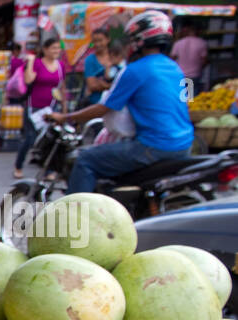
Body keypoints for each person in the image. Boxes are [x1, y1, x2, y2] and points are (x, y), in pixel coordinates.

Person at [48, 10, 194, 194]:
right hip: (185, 145)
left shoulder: (134, 70)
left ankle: (76, 219)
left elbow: (103, 108)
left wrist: (65, 117)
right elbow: (187, 100)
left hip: (154, 147)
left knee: (85, 159)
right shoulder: (176, 68)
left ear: (138, 40)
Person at [13, 36, 66, 179]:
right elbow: (28, 79)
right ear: (45, 49)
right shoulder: (37, 63)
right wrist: (30, 62)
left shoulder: (60, 65)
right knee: (30, 138)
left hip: (52, 107)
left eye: (58, 48)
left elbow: (62, 87)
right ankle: (18, 165)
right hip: (34, 107)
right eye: (53, 48)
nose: (56, 51)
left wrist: (64, 109)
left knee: (51, 138)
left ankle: (49, 170)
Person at [80, 28, 114, 108]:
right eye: (95, 41)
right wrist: (112, 86)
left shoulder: (115, 56)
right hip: (95, 104)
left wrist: (101, 83)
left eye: (100, 40)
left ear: (108, 39)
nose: (98, 44)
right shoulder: (90, 60)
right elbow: (92, 85)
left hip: (114, 103)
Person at [171, 20, 208, 84]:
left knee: (181, 93)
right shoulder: (202, 43)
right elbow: (204, 61)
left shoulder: (178, 43)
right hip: (195, 74)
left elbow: (172, 59)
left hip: (180, 74)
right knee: (193, 93)